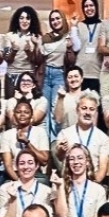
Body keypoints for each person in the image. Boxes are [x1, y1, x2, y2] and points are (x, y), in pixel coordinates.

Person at [52, 90, 109, 183]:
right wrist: (61, 150)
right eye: (84, 108)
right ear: (77, 110)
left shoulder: (103, 138)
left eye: (92, 109)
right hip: (69, 183)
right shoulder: (65, 134)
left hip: (93, 183)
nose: (87, 112)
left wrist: (91, 186)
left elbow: (102, 169)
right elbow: (59, 157)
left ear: (96, 112)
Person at [39, 9, 74, 138]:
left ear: (63, 19)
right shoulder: (45, 38)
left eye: (58, 18)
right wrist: (37, 45)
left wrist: (69, 48)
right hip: (45, 75)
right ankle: (45, 142)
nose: (55, 22)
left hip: (60, 74)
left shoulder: (69, 36)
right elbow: (38, 59)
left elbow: (71, 62)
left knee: (56, 109)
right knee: (44, 109)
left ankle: (55, 142)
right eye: (52, 19)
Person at [0, 100, 52, 182]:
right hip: (15, 175)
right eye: (18, 112)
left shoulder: (40, 132)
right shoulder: (7, 134)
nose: (22, 114)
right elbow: (8, 165)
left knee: (43, 181)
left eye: (26, 112)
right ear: (14, 115)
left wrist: (27, 143)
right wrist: (20, 182)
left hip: (35, 174)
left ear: (31, 115)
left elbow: (44, 160)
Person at [1, 6, 42, 97]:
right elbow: (7, 59)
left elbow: (37, 61)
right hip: (12, 75)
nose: (24, 21)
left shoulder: (36, 37)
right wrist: (14, 51)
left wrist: (32, 49)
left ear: (32, 21)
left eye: (28, 18)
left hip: (29, 75)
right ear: (17, 20)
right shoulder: (9, 36)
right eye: (21, 18)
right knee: (11, 104)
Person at [72, 0, 104, 93]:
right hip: (81, 72)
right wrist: (73, 26)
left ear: (96, 7)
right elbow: (76, 47)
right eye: (86, 6)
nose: (89, 8)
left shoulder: (103, 25)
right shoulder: (79, 25)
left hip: (97, 72)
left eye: (91, 5)